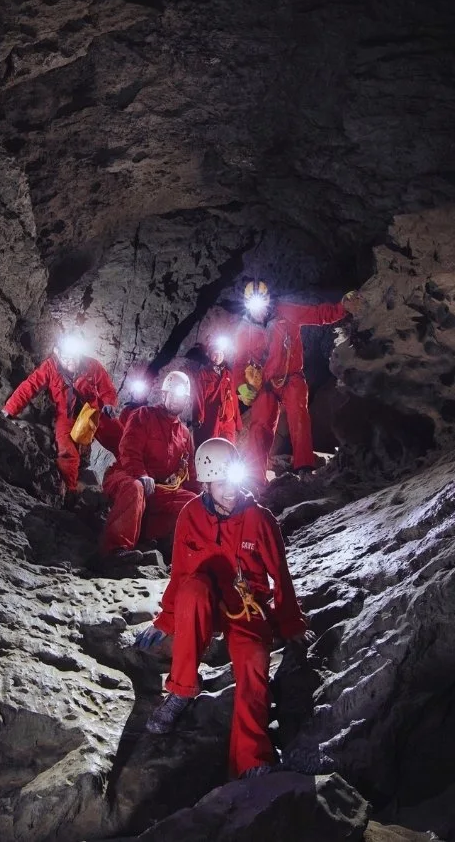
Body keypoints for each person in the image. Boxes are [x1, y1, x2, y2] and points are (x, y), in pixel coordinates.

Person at [132, 437, 313, 780]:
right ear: (206, 483)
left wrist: (291, 624)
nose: (229, 491)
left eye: (232, 481)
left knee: (254, 664)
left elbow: (281, 576)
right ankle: (182, 691)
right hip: (208, 601)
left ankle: (251, 758)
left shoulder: (260, 520)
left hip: (247, 607)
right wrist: (167, 619)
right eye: (220, 484)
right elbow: (181, 573)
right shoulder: (191, 515)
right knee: (192, 592)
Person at [232, 280, 358, 487]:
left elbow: (317, 315)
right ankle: (255, 478)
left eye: (261, 303)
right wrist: (242, 386)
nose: (258, 310)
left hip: (291, 377)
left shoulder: (286, 312)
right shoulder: (244, 330)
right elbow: (238, 363)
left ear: (267, 301)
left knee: (298, 415)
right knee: (259, 426)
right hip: (266, 384)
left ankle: (304, 467)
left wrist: (342, 308)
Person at [1, 332, 121, 496]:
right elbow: (29, 387)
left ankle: (132, 474)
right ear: (57, 353)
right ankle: (70, 491)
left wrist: (109, 404)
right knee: (66, 450)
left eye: (74, 356)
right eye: (66, 357)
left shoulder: (91, 365)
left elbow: (107, 388)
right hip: (67, 414)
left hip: (94, 412)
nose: (71, 360)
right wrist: (9, 409)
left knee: (122, 440)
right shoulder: (50, 367)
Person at [99, 370, 200, 564]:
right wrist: (141, 474)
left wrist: (204, 497)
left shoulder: (185, 434)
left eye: (182, 396)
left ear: (186, 400)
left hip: (158, 488)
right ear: (164, 395)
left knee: (193, 503)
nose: (177, 399)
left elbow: (190, 472)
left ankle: (158, 542)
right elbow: (128, 449)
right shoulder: (143, 415)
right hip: (126, 475)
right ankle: (114, 551)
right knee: (135, 487)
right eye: (173, 393)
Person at [193, 335, 241, 449]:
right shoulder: (203, 374)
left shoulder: (228, 375)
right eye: (215, 353)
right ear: (210, 355)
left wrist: (238, 421)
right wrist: (198, 418)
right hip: (211, 418)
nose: (218, 356)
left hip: (228, 420)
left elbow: (233, 398)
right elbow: (198, 396)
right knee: (211, 447)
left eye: (220, 353)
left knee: (228, 449)